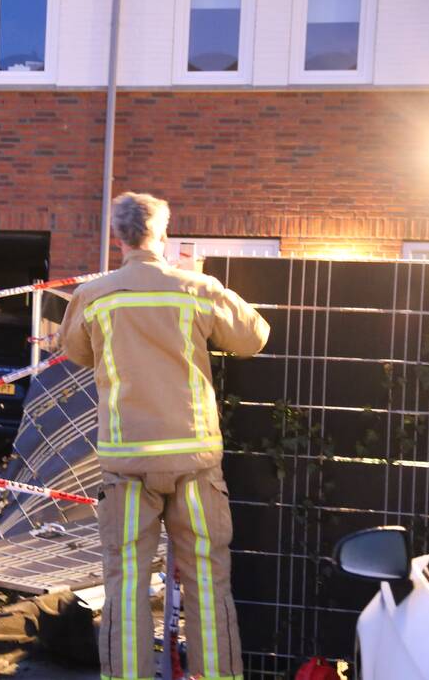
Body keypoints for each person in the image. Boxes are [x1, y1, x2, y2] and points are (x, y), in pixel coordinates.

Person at [59, 192, 269, 680]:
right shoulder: (196, 287)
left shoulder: (93, 295)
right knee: (207, 585)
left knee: (126, 587)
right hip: (193, 459)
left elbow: (77, 352)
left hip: (126, 462)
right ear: (163, 232)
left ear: (118, 237)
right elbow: (254, 337)